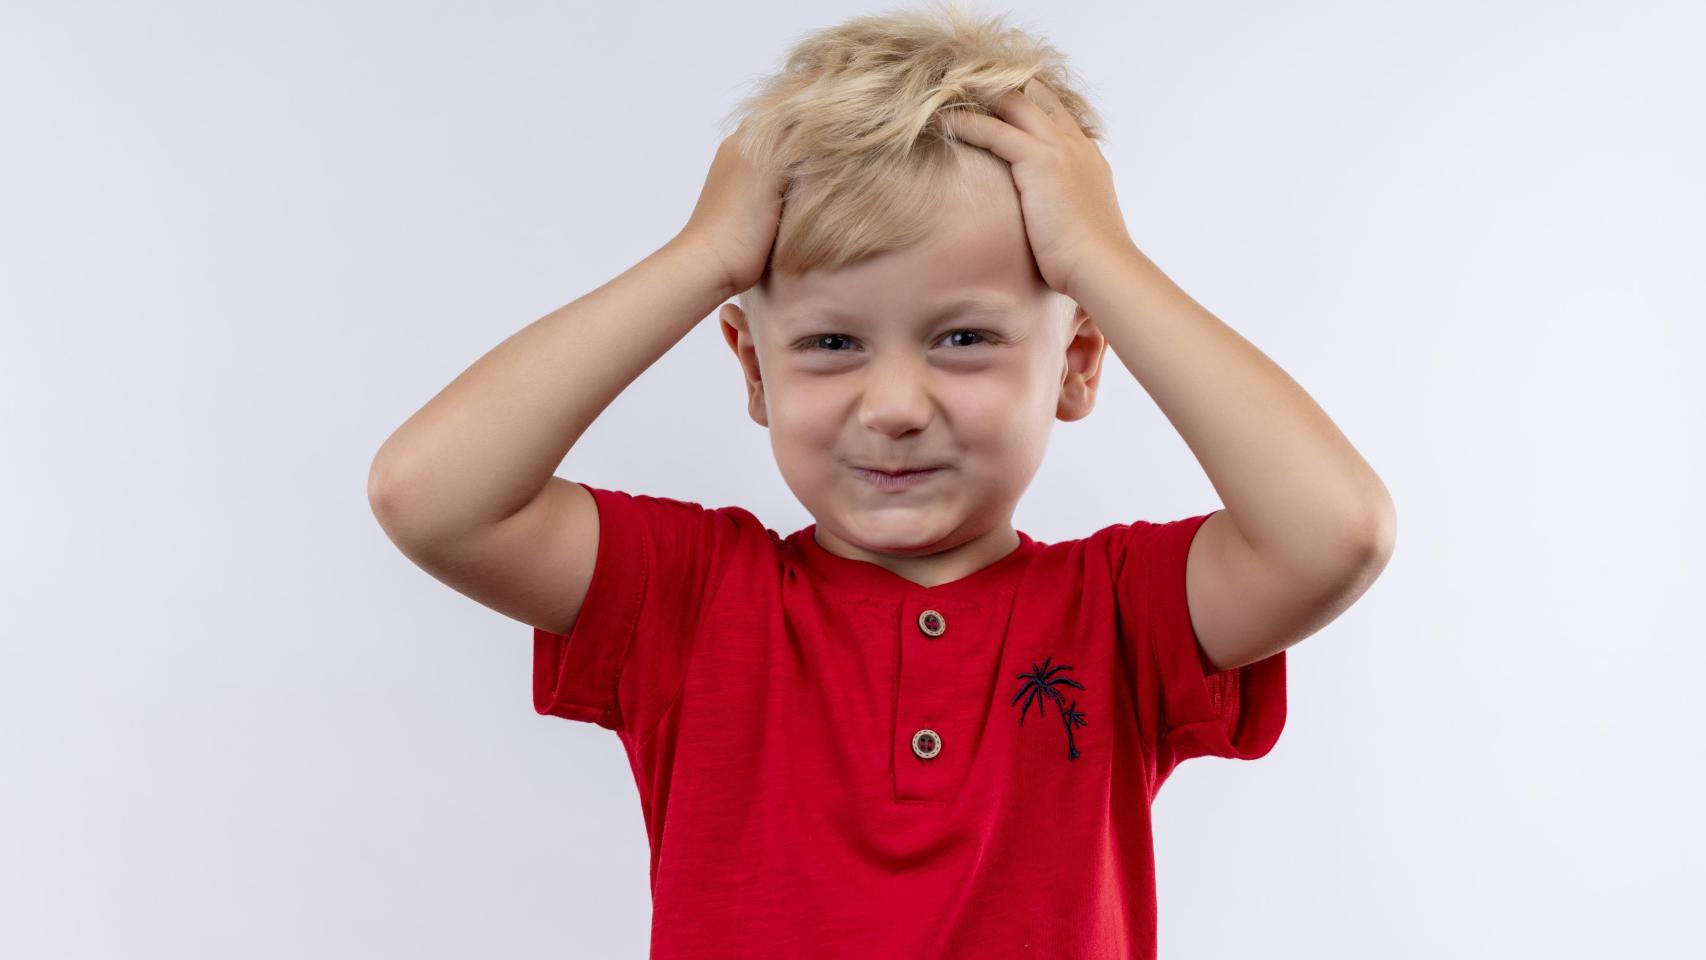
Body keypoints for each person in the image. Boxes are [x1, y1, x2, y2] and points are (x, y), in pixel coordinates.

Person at [368, 2, 1396, 956]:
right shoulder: (689, 598)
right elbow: (429, 495)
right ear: (751, 368)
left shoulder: (1122, 613)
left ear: (1079, 363)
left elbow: (1335, 531)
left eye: (962, 336)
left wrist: (1099, 257)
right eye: (828, 341)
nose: (895, 403)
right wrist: (705, 254)